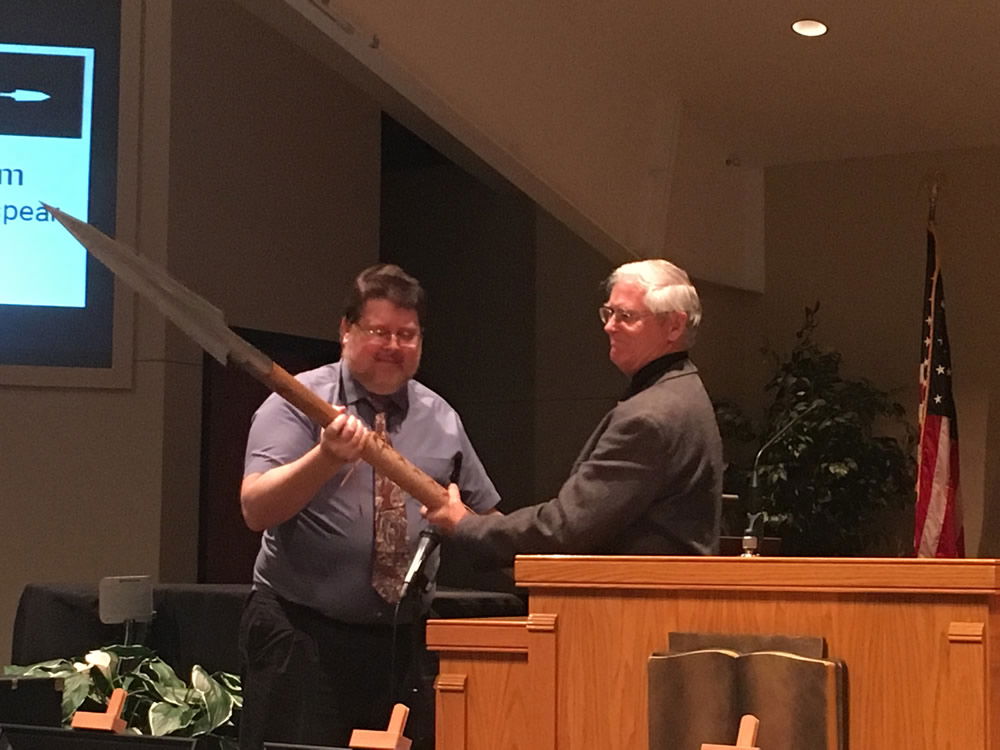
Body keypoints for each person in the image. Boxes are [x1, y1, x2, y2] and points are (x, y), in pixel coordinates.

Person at [238, 264, 500, 750]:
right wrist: (324, 457)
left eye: (408, 334)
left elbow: (486, 521)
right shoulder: (296, 402)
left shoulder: (441, 418)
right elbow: (256, 509)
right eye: (379, 331)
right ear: (346, 331)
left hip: (402, 645)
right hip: (302, 636)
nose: (393, 346)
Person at [426, 259, 722, 565]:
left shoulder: (650, 417)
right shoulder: (684, 389)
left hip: (636, 606)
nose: (609, 326)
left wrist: (465, 525)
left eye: (626, 316)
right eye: (608, 313)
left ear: (674, 325)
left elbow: (565, 528)